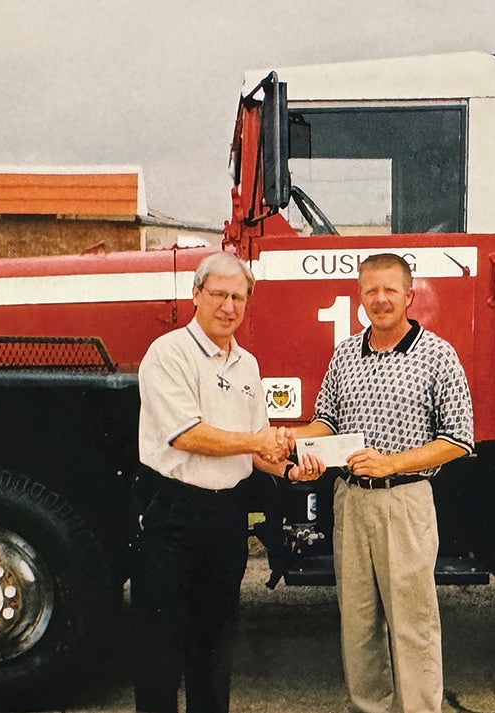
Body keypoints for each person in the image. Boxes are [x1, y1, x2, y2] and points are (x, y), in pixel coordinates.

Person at [291, 253, 474, 713]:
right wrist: (292, 442)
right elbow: (326, 422)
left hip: (405, 501)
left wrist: (391, 464)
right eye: (371, 290)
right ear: (360, 298)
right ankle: (368, 706)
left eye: (390, 289)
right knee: (357, 622)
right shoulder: (345, 354)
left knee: (412, 622)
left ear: (409, 296)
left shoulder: (438, 355)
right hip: (350, 502)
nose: (380, 299)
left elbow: (458, 440)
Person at [131, 251, 306, 713]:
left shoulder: (247, 364)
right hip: (173, 512)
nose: (229, 307)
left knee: (214, 646)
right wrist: (258, 441)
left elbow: (256, 451)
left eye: (239, 298)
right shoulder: (168, 354)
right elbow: (188, 436)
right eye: (219, 295)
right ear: (196, 295)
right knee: (160, 646)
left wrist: (289, 467)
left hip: (226, 518)